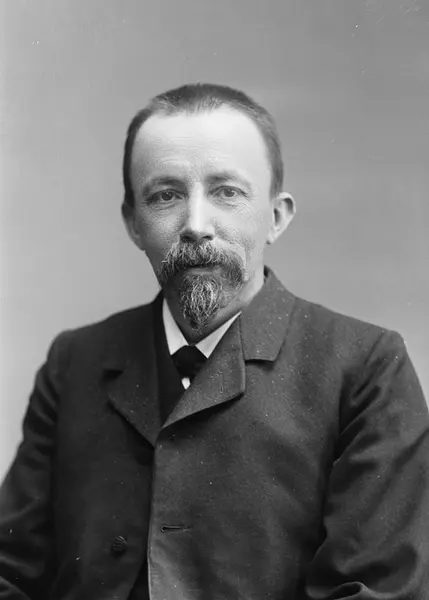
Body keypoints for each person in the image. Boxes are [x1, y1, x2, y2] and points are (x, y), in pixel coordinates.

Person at [0, 83, 428, 600]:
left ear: (276, 217)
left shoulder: (367, 368)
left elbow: (375, 591)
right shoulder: (75, 362)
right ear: (133, 224)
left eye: (227, 192)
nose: (196, 226)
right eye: (166, 195)